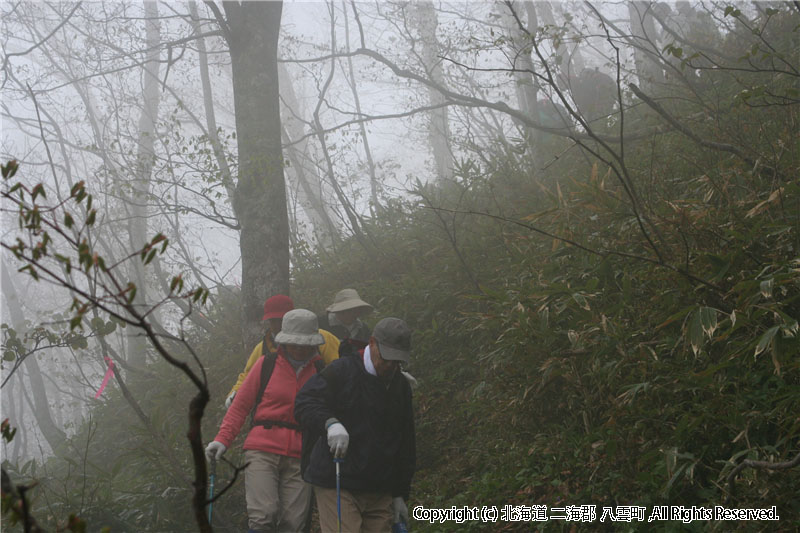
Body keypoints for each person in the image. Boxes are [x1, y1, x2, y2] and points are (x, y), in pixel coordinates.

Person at [206, 309, 327, 533]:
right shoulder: (266, 364)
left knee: (294, 523)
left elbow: (329, 412)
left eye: (305, 343)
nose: (299, 348)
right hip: (262, 449)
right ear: (285, 341)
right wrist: (222, 440)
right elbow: (240, 406)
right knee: (264, 516)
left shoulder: (321, 371)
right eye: (295, 343)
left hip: (302, 454)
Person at [295, 317, 416, 533]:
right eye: (387, 357)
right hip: (337, 479)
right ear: (372, 343)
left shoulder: (401, 386)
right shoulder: (342, 371)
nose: (390, 365)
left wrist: (400, 493)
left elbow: (405, 441)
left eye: (397, 361)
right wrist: (330, 423)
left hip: (380, 487)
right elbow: (305, 402)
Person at [225, 294, 340, 407]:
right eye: (273, 321)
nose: (277, 325)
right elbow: (248, 376)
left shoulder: (321, 339)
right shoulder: (263, 348)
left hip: (319, 405)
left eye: (282, 320)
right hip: (276, 409)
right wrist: (235, 393)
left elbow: (339, 368)